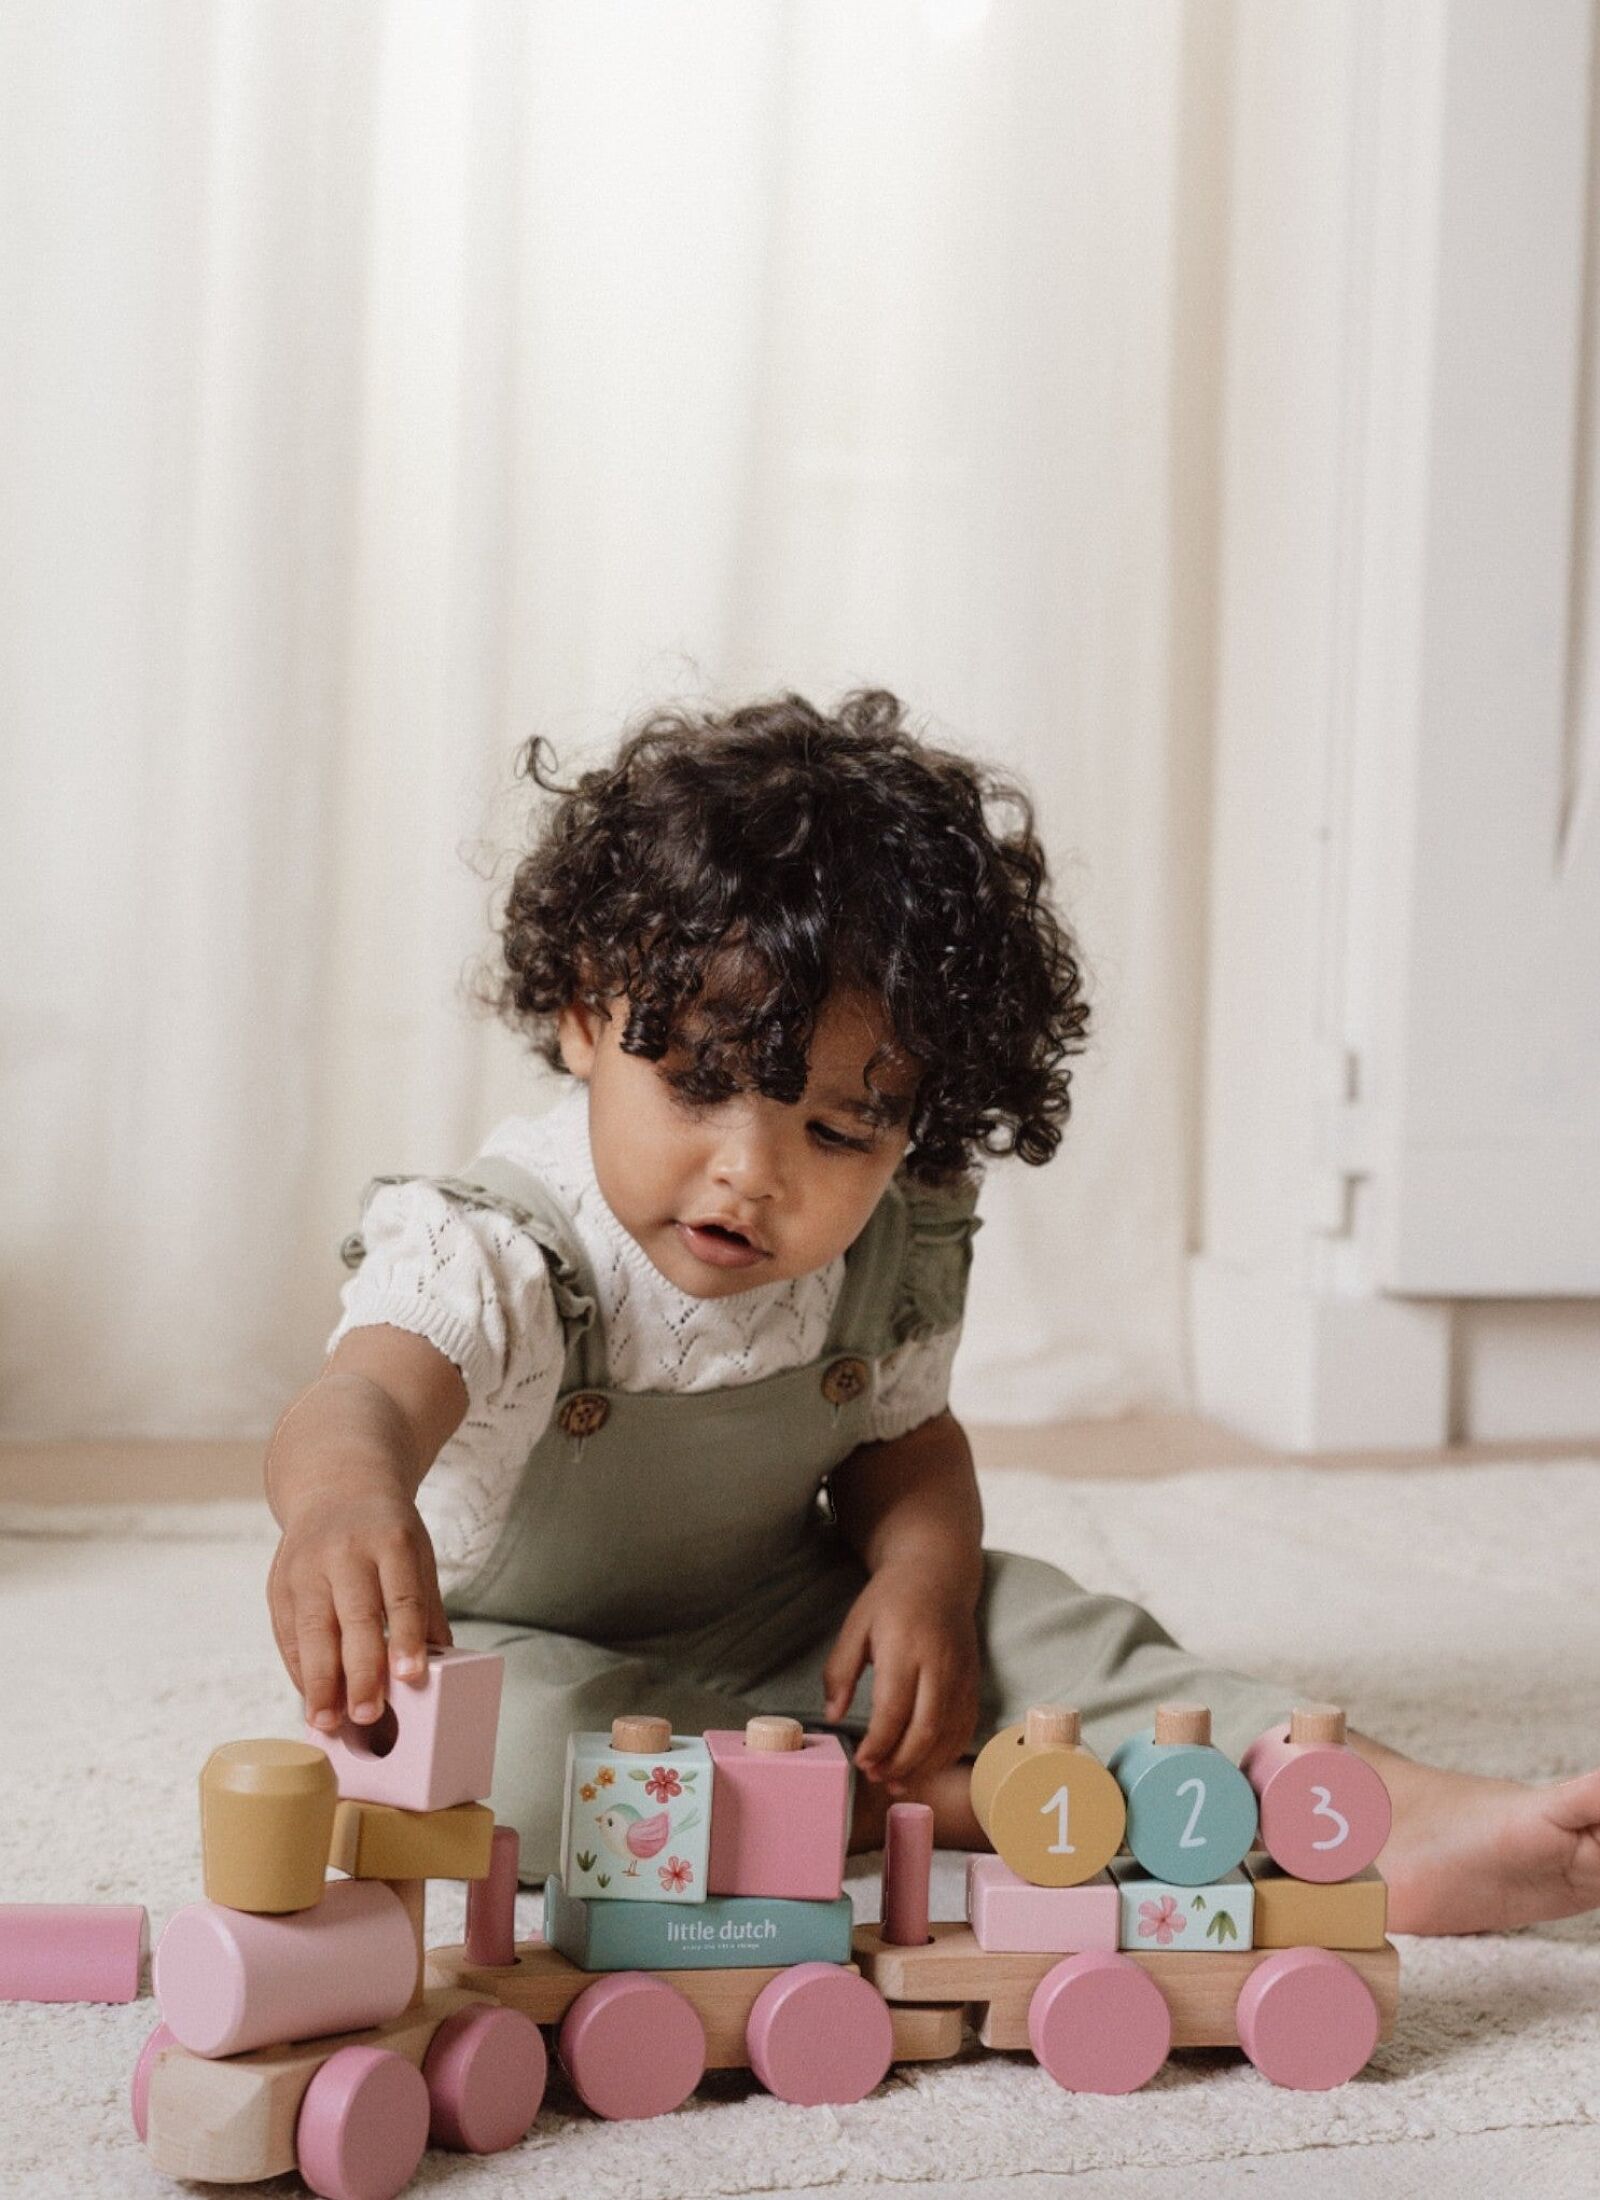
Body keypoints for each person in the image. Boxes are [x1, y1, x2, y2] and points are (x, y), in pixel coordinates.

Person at [265, 689, 1600, 1934]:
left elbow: (906, 1443)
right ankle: (935, 1801)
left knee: (1060, 1633)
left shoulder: (887, 1250)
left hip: (792, 1623)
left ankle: (1379, 1812)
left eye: (842, 1129)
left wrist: (920, 1575)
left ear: (920, 1114)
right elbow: (367, 1397)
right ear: (580, 1017)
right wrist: (342, 1503)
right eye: (697, 1086)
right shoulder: (497, 1250)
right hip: (524, 1648)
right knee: (502, 1771)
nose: (754, 1170)